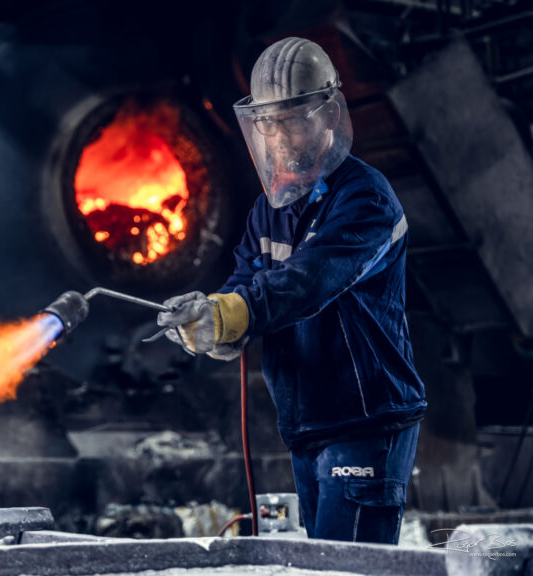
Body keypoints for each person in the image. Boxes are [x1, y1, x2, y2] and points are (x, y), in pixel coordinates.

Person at [157, 37, 427, 544]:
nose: (280, 134)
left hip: (365, 421)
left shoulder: (364, 198)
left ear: (327, 115)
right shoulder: (270, 210)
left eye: (294, 118)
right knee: (316, 563)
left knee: (341, 568)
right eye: (268, 121)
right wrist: (207, 317)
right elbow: (245, 284)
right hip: (308, 424)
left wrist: (237, 311)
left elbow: (309, 281)